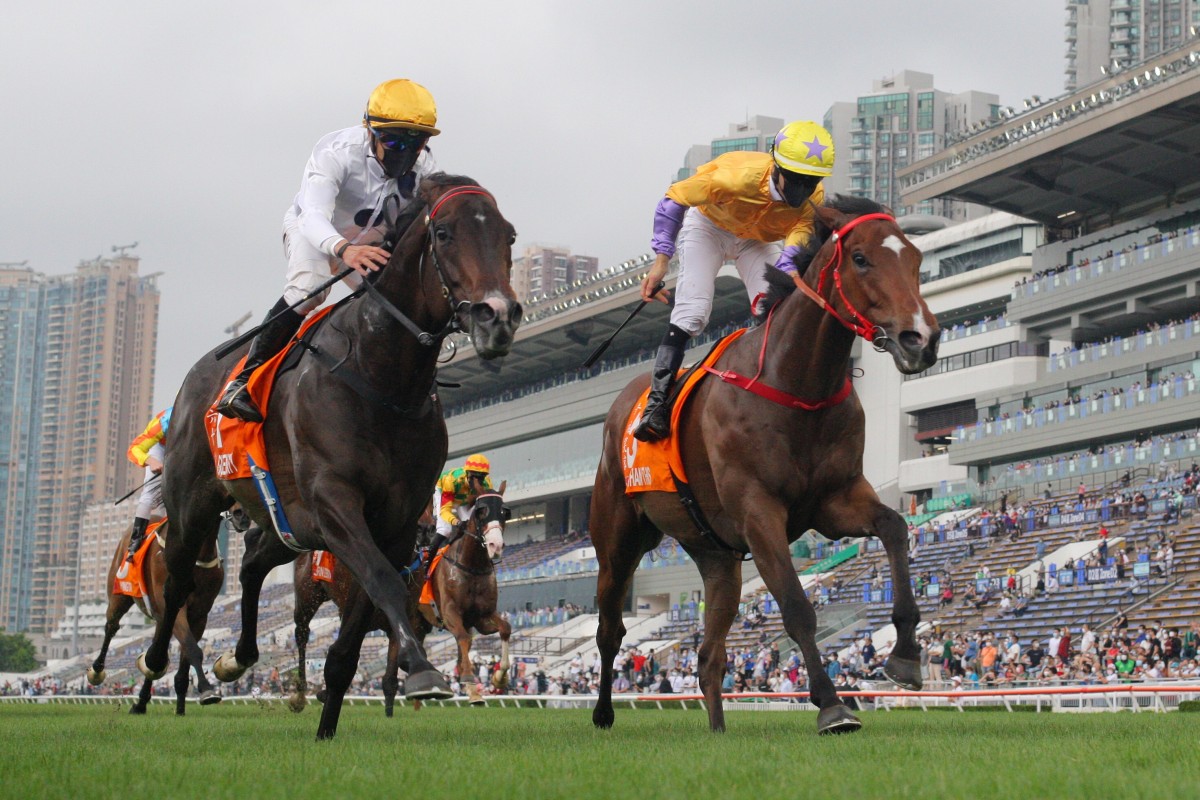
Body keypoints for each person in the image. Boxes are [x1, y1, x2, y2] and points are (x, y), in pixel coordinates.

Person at [217, 79, 441, 422]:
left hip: (369, 242)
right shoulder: (336, 152)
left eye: (416, 141)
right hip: (315, 230)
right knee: (309, 291)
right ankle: (246, 379)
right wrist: (344, 249)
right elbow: (315, 215)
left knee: (398, 300)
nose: (405, 151)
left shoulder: (424, 166)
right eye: (394, 139)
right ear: (370, 131)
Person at [632, 120, 836, 441]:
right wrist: (660, 262)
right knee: (694, 311)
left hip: (756, 240)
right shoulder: (737, 176)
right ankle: (656, 405)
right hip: (709, 227)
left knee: (779, 308)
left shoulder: (815, 198)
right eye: (796, 180)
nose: (801, 191)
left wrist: (791, 272)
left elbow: (796, 242)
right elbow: (674, 199)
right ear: (776, 165)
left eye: (810, 182)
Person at [427, 453, 495, 576]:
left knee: (473, 528)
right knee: (445, 530)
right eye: (474, 477)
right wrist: (456, 522)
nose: (477, 482)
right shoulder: (451, 480)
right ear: (467, 473)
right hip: (444, 492)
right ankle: (426, 567)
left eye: (481, 478)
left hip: (463, 498)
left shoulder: (487, 485)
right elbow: (445, 511)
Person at [121, 407, 172, 565]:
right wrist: (151, 461)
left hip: (180, 449)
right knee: (150, 495)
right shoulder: (163, 421)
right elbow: (133, 449)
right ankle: (135, 542)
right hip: (160, 448)